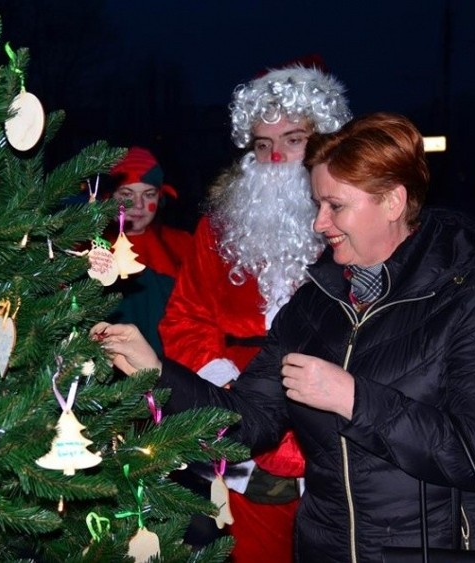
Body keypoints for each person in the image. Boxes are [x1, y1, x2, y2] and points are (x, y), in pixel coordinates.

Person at [94, 112, 475, 562]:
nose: (318, 223)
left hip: (433, 547)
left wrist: (355, 399)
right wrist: (157, 371)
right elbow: (250, 421)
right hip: (328, 547)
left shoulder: (469, 301)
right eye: (317, 204)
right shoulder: (314, 305)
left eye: (335, 206)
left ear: (393, 202)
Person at [157, 62, 351, 561]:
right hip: (243, 427)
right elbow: (183, 318)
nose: (276, 157)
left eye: (293, 140)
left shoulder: (354, 227)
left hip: (337, 432)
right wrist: (223, 382)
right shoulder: (220, 228)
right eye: (262, 145)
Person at [101, 146, 193, 358]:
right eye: (127, 194)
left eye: (148, 194)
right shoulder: (88, 249)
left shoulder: (182, 246)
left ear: (160, 197)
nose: (139, 205)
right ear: (109, 197)